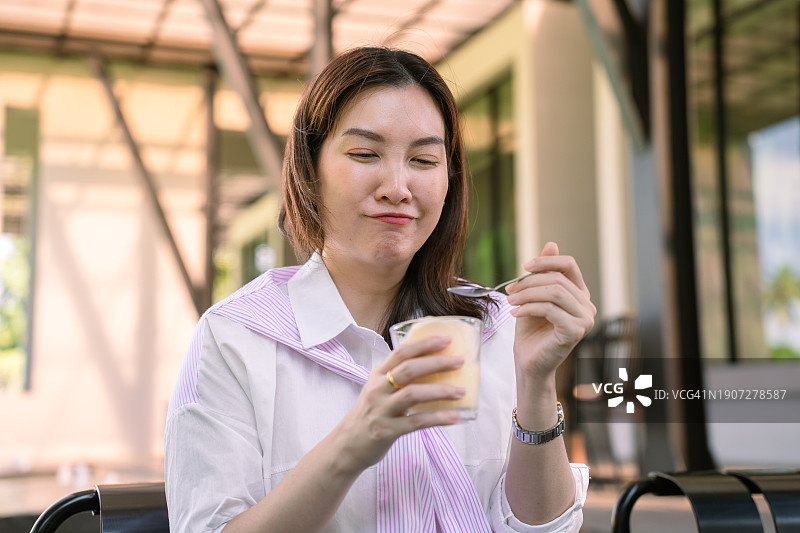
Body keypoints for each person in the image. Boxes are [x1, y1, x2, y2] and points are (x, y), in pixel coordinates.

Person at [165, 46, 595, 532]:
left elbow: (544, 529)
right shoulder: (234, 340)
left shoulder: (493, 328)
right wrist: (352, 442)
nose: (397, 186)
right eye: (365, 154)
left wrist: (537, 385)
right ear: (311, 169)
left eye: (424, 160)